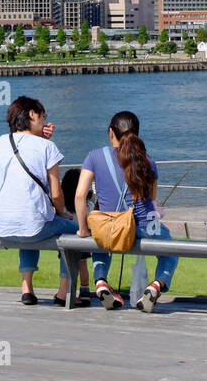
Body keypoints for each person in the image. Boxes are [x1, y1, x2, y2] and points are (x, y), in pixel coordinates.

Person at [0, 96, 89, 307]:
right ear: (31, 114)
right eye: (43, 115)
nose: (44, 120)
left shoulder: (0, 142)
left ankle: (27, 289)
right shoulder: (46, 148)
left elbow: (26, 152)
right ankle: (64, 292)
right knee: (76, 230)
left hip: (1, 225)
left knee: (29, 221)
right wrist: (61, 213)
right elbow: (57, 194)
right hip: (31, 226)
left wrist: (40, 137)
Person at [75, 110, 178, 312]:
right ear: (137, 134)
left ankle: (101, 281)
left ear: (111, 133)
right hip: (144, 226)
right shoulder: (148, 161)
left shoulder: (94, 157)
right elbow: (153, 200)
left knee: (101, 240)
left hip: (110, 226)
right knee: (170, 250)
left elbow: (80, 195)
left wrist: (83, 229)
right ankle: (156, 285)